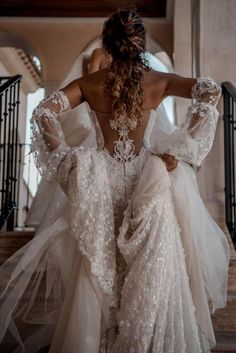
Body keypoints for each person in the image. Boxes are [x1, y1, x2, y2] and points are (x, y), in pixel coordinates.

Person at [0, 9, 230, 353]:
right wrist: (182, 150)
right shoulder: (158, 81)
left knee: (97, 270)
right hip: (147, 182)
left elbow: (44, 111)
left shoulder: (90, 84)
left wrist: (66, 158)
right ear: (139, 43)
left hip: (100, 182)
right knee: (151, 268)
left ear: (108, 44)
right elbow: (210, 91)